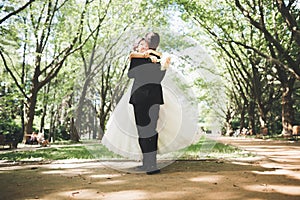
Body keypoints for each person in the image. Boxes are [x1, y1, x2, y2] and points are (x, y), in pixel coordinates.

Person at [101, 32, 198, 174]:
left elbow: (131, 74)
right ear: (157, 44)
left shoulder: (138, 57)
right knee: (151, 129)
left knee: (142, 130)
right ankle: (151, 164)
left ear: (147, 42)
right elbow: (160, 78)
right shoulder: (161, 58)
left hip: (139, 97)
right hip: (154, 96)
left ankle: (148, 163)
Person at [128, 32, 165, 174]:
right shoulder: (137, 57)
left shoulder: (159, 58)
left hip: (152, 97)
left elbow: (160, 77)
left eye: (147, 43)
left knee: (150, 130)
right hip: (139, 98)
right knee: (142, 131)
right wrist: (143, 57)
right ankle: (146, 163)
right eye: (142, 44)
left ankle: (152, 164)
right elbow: (130, 74)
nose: (145, 45)